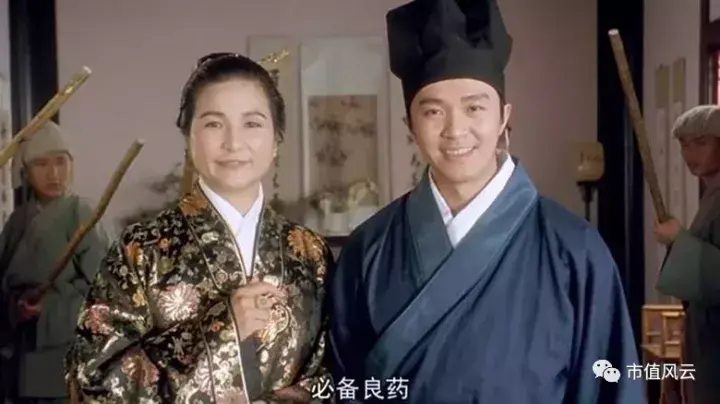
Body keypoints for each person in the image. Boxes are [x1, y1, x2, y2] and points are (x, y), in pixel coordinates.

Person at [329, 0, 644, 402]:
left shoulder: (574, 251)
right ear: (411, 125)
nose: (455, 130)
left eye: (474, 107)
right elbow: (342, 386)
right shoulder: (368, 250)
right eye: (433, 112)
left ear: (503, 117)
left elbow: (610, 387)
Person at [66, 53, 333, 403]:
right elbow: (94, 382)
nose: (233, 143)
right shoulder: (140, 249)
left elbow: (333, 373)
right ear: (188, 138)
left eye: (252, 124)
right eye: (213, 124)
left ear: (276, 141)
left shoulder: (310, 251)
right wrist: (219, 329)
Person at [0, 121, 110, 404]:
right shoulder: (17, 221)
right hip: (21, 355)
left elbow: (104, 293)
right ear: (26, 170)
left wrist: (47, 308)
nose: (54, 174)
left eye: (61, 162)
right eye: (41, 164)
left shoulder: (81, 213)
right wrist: (16, 307)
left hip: (65, 353)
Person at [655, 105, 720, 404]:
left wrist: (679, 241)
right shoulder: (712, 195)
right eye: (684, 144)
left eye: (702, 142)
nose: (690, 153)